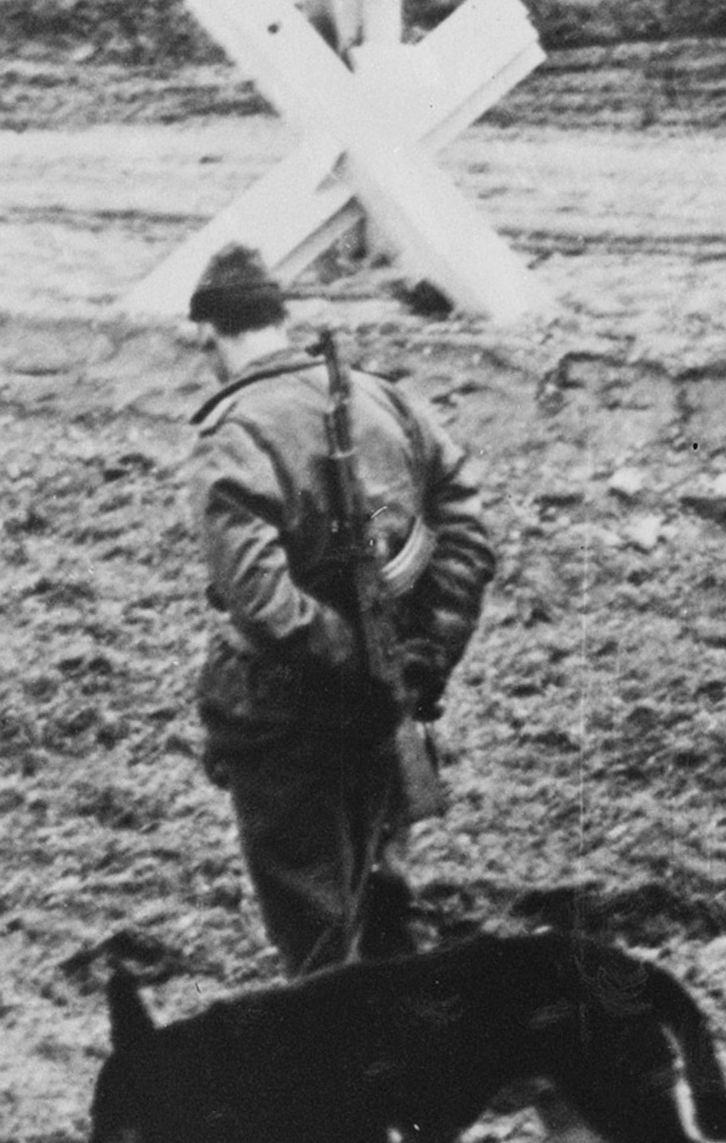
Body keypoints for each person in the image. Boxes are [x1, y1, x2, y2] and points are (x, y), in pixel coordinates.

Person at [177, 242, 500, 972]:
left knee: (318, 946)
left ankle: (342, 1081)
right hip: (384, 706)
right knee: (388, 918)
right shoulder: (388, 400)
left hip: (284, 720)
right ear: (278, 318)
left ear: (208, 334)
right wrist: (421, 654)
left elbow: (259, 598)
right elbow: (468, 532)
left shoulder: (233, 434)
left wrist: (368, 661)